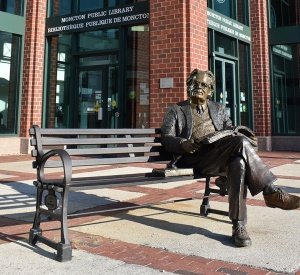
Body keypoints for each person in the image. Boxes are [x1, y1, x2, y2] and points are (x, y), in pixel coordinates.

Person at [161, 68, 300, 247]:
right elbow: (166, 137)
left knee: (238, 162)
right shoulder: (176, 110)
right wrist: (183, 144)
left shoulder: (218, 108)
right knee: (241, 144)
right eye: (195, 83)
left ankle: (238, 226)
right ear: (189, 86)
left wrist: (238, 134)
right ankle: (270, 191)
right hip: (193, 157)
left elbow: (230, 130)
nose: (199, 87)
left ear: (210, 91)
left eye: (204, 85)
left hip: (219, 156)